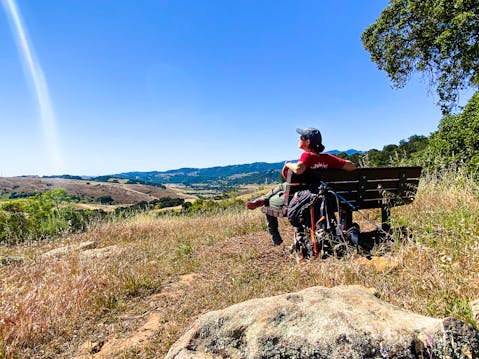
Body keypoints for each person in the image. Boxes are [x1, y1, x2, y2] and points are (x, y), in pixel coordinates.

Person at [247, 127, 356, 246]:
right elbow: (351, 166)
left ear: (308, 142)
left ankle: (275, 238)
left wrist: (288, 164)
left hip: (302, 198)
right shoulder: (328, 158)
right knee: (283, 185)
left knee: (267, 204)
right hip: (326, 197)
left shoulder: (307, 156)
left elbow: (298, 169)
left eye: (301, 137)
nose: (298, 139)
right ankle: (264, 198)